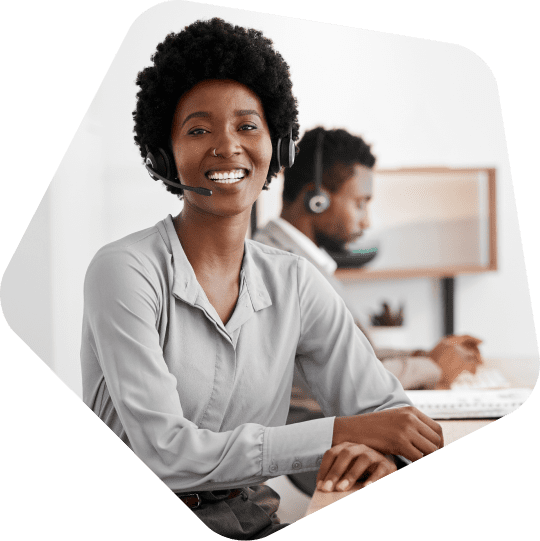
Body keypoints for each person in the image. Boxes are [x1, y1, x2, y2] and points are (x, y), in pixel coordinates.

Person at [81, 20, 443, 540]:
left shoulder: (295, 282)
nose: (227, 146)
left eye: (247, 126)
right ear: (164, 154)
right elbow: (163, 455)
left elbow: (385, 411)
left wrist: (373, 448)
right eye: (198, 129)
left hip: (251, 518)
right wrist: (343, 431)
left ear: (280, 146)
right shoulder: (125, 270)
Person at [254, 126, 480, 496]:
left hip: (343, 431)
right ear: (317, 201)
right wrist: (433, 366)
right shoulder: (278, 267)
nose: (366, 221)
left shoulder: (305, 262)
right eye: (360, 202)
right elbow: (339, 377)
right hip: (324, 446)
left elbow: (352, 352)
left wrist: (420, 354)